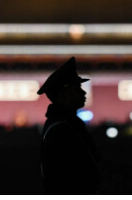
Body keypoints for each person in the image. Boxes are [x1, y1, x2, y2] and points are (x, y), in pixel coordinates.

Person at [38, 57, 101, 194]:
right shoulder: (62, 129)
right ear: (64, 96)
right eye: (77, 88)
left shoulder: (63, 124)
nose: (83, 92)